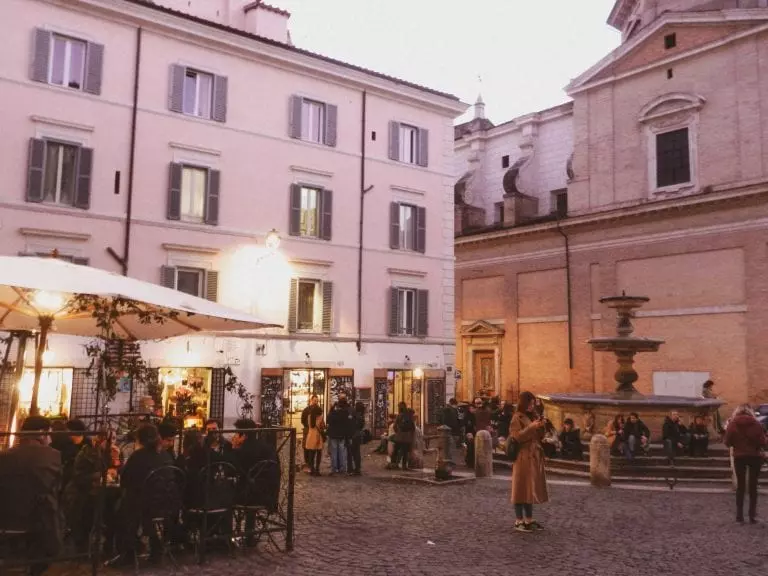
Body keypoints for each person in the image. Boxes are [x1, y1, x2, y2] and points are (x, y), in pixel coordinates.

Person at [0, 416, 63, 576]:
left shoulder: (4, 455)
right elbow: (57, 486)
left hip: (5, 517)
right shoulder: (53, 455)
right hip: (38, 521)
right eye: (49, 434)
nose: (50, 438)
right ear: (42, 433)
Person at [509, 391, 548, 533]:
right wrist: (531, 427)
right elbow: (516, 437)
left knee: (529, 488)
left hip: (533, 456)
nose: (532, 406)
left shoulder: (533, 416)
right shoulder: (516, 418)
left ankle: (529, 519)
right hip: (522, 456)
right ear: (524, 403)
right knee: (520, 488)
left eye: (534, 404)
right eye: (530, 403)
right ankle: (519, 520)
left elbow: (539, 437)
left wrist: (542, 427)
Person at [724, 405, 767, 524]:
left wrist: (737, 445)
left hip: (739, 457)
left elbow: (727, 442)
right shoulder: (756, 424)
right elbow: (762, 442)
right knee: (753, 487)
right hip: (754, 457)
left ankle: (739, 517)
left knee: (741, 487)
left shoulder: (733, 424)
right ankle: (752, 516)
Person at [326, 394, 354, 475]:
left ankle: (334, 469)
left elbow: (328, 420)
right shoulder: (346, 411)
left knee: (334, 452)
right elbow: (348, 423)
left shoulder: (333, 411)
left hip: (333, 434)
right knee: (342, 452)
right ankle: (342, 468)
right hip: (342, 435)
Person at [392, 402, 416, 471]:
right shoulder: (409, 416)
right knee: (405, 452)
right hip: (407, 437)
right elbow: (413, 427)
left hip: (399, 436)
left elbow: (394, 426)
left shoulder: (399, 415)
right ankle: (404, 466)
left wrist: (398, 432)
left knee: (396, 450)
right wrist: (411, 436)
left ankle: (394, 464)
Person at [304, 403, 325, 476]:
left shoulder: (309, 417)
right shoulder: (320, 417)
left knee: (311, 455)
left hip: (310, 436)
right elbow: (322, 427)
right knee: (318, 454)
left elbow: (307, 425)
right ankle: (317, 469)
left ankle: (311, 469)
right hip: (318, 437)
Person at [301, 395, 319, 472]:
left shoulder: (318, 410)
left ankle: (311, 465)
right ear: (311, 400)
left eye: (317, 401)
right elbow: (302, 420)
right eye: (315, 400)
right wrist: (307, 426)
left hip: (315, 431)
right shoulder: (306, 410)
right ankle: (307, 463)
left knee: (313, 447)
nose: (316, 402)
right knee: (306, 447)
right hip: (307, 430)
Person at [347, 401, 366, 476]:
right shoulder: (362, 415)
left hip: (353, 435)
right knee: (357, 452)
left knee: (351, 452)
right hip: (358, 435)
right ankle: (357, 468)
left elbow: (351, 425)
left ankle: (351, 468)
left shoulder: (355, 414)